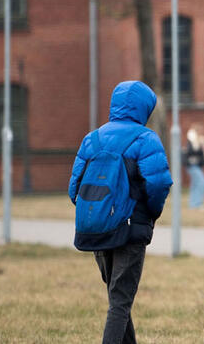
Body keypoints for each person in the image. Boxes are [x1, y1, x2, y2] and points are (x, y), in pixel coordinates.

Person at [68, 80, 172, 344]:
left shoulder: (92, 139)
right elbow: (159, 185)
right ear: (143, 108)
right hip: (129, 227)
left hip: (97, 229)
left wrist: (100, 212)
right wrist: (152, 213)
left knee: (118, 299)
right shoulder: (145, 139)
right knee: (120, 302)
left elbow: (74, 189)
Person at [185, 126, 204, 209]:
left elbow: (202, 155)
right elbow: (190, 152)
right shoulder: (191, 140)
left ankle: (193, 204)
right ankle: (197, 203)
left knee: (195, 184)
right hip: (192, 165)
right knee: (202, 182)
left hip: (197, 166)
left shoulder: (200, 140)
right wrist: (201, 147)